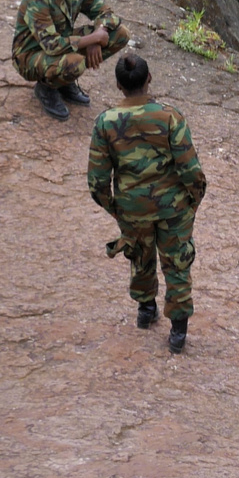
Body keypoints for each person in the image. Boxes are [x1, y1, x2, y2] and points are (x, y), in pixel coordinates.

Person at [88, 51, 207, 352]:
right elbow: (192, 171)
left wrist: (116, 209)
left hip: (132, 208)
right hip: (173, 208)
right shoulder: (170, 117)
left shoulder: (106, 123)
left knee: (140, 256)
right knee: (177, 262)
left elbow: (98, 182)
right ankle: (178, 332)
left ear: (118, 85)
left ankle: (145, 311)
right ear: (149, 78)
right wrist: (192, 203)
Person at [12, 0, 130, 120]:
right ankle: (47, 88)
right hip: (30, 56)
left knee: (120, 34)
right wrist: (92, 39)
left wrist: (99, 33)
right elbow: (51, 45)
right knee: (75, 63)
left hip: (63, 43)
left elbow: (106, 13)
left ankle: (63, 82)